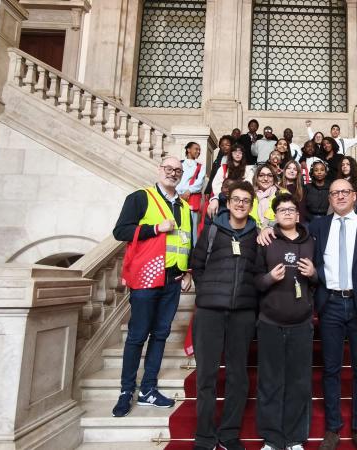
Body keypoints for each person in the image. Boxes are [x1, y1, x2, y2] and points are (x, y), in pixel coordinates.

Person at [260, 179, 357, 450]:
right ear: (328, 199)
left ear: (354, 197)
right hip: (329, 304)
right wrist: (266, 228)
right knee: (330, 370)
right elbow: (288, 228)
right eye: (334, 193)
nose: (340, 196)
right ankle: (333, 428)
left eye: (345, 192)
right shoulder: (317, 227)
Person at [111, 157, 193, 417]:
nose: (173, 173)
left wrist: (187, 270)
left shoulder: (184, 205)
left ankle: (148, 389)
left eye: (178, 171)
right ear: (160, 170)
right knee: (137, 336)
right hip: (148, 276)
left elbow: (185, 241)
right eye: (169, 169)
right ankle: (126, 390)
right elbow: (121, 231)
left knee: (160, 334)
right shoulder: (141, 197)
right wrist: (156, 227)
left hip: (173, 279)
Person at [189, 180, 260, 450]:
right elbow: (197, 265)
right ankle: (205, 436)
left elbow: (258, 272)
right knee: (206, 375)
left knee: (237, 376)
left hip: (242, 313)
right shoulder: (212, 230)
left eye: (246, 200)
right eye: (236, 199)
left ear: (250, 205)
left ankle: (229, 433)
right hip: (210, 312)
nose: (241, 204)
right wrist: (207, 292)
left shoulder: (258, 235)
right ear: (228, 203)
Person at [253, 192, 317, 450]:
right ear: (275, 216)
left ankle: (294, 438)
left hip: (301, 323)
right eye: (282, 210)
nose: (288, 213)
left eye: (291, 209)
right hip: (270, 321)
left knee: (299, 382)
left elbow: (321, 277)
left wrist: (313, 274)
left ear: (298, 214)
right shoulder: (266, 240)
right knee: (269, 381)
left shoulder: (311, 240)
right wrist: (269, 278)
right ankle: (271, 439)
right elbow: (254, 279)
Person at [208, 144, 251, 214]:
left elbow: (249, 186)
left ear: (243, 155)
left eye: (240, 152)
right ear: (231, 154)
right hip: (224, 199)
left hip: (241, 200)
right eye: (235, 152)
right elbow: (216, 185)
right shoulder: (223, 168)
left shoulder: (248, 170)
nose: (237, 154)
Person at [177, 141, 206, 245]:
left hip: (192, 198)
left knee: (192, 225)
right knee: (179, 223)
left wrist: (188, 191)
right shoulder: (179, 163)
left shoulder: (200, 166)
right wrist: (179, 193)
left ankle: (192, 249)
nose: (198, 151)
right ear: (188, 149)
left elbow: (200, 183)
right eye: (196, 149)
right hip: (178, 197)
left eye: (199, 150)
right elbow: (176, 179)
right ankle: (181, 245)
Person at [251, 164, 281, 228]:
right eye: (261, 175)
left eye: (269, 176)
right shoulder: (250, 196)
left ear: (274, 178)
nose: (265, 179)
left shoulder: (282, 195)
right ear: (256, 178)